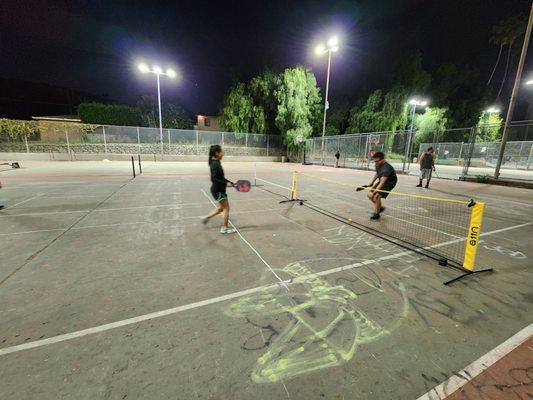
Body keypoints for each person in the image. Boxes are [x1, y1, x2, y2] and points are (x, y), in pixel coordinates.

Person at [201, 144, 236, 234]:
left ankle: (207, 218)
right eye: (221, 152)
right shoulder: (215, 164)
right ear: (217, 153)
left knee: (221, 208)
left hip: (218, 189)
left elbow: (220, 177)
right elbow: (214, 179)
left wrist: (231, 183)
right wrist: (225, 183)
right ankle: (224, 228)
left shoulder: (216, 162)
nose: (223, 154)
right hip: (218, 190)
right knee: (226, 208)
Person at [364, 151, 397, 220]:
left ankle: (377, 214)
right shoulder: (377, 164)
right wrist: (371, 182)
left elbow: (382, 183)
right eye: (374, 161)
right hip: (382, 179)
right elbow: (377, 173)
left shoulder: (387, 168)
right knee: (369, 195)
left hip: (389, 182)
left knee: (376, 196)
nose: (376, 163)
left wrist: (375, 192)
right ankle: (380, 207)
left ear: (382, 159)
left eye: (377, 161)